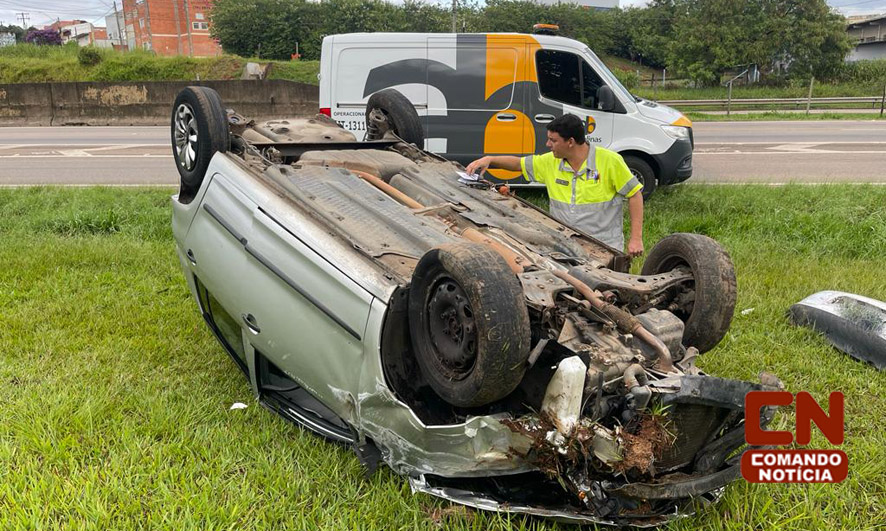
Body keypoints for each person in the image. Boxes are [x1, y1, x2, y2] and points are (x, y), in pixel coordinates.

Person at [465, 114, 644, 257]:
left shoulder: (610, 161)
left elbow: (635, 195)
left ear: (570, 142)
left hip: (604, 248)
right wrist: (490, 159)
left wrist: (636, 239)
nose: (548, 144)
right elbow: (519, 164)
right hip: (564, 247)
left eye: (553, 140)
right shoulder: (551, 162)